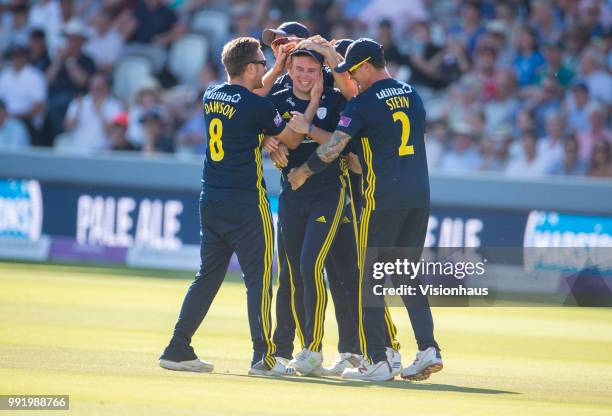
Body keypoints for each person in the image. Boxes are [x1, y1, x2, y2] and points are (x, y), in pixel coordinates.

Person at [287, 38, 442, 382]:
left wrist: (303, 170)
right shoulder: (412, 94)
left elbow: (332, 150)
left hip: (382, 198)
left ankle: (379, 361)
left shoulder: (363, 104)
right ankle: (428, 348)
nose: (351, 80)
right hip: (419, 196)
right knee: (405, 273)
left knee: (367, 279)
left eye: (353, 72)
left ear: (368, 66)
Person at [159, 37, 303, 377]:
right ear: (250, 67)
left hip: (211, 200)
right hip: (246, 204)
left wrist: (277, 70)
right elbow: (292, 140)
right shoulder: (258, 108)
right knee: (261, 279)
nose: (266, 69)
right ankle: (263, 357)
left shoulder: (212, 93)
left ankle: (177, 347)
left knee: (207, 277)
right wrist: (293, 123)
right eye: (263, 64)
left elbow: (247, 102)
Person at [266, 48, 361, 376]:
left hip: (328, 194)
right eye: (299, 69)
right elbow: (263, 128)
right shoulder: (278, 98)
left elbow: (343, 147)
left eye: (311, 70)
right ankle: (283, 351)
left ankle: (313, 349)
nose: (304, 76)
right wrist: (268, 140)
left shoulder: (336, 100)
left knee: (312, 266)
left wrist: (304, 128)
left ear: (321, 72)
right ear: (289, 69)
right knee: (290, 273)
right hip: (292, 194)